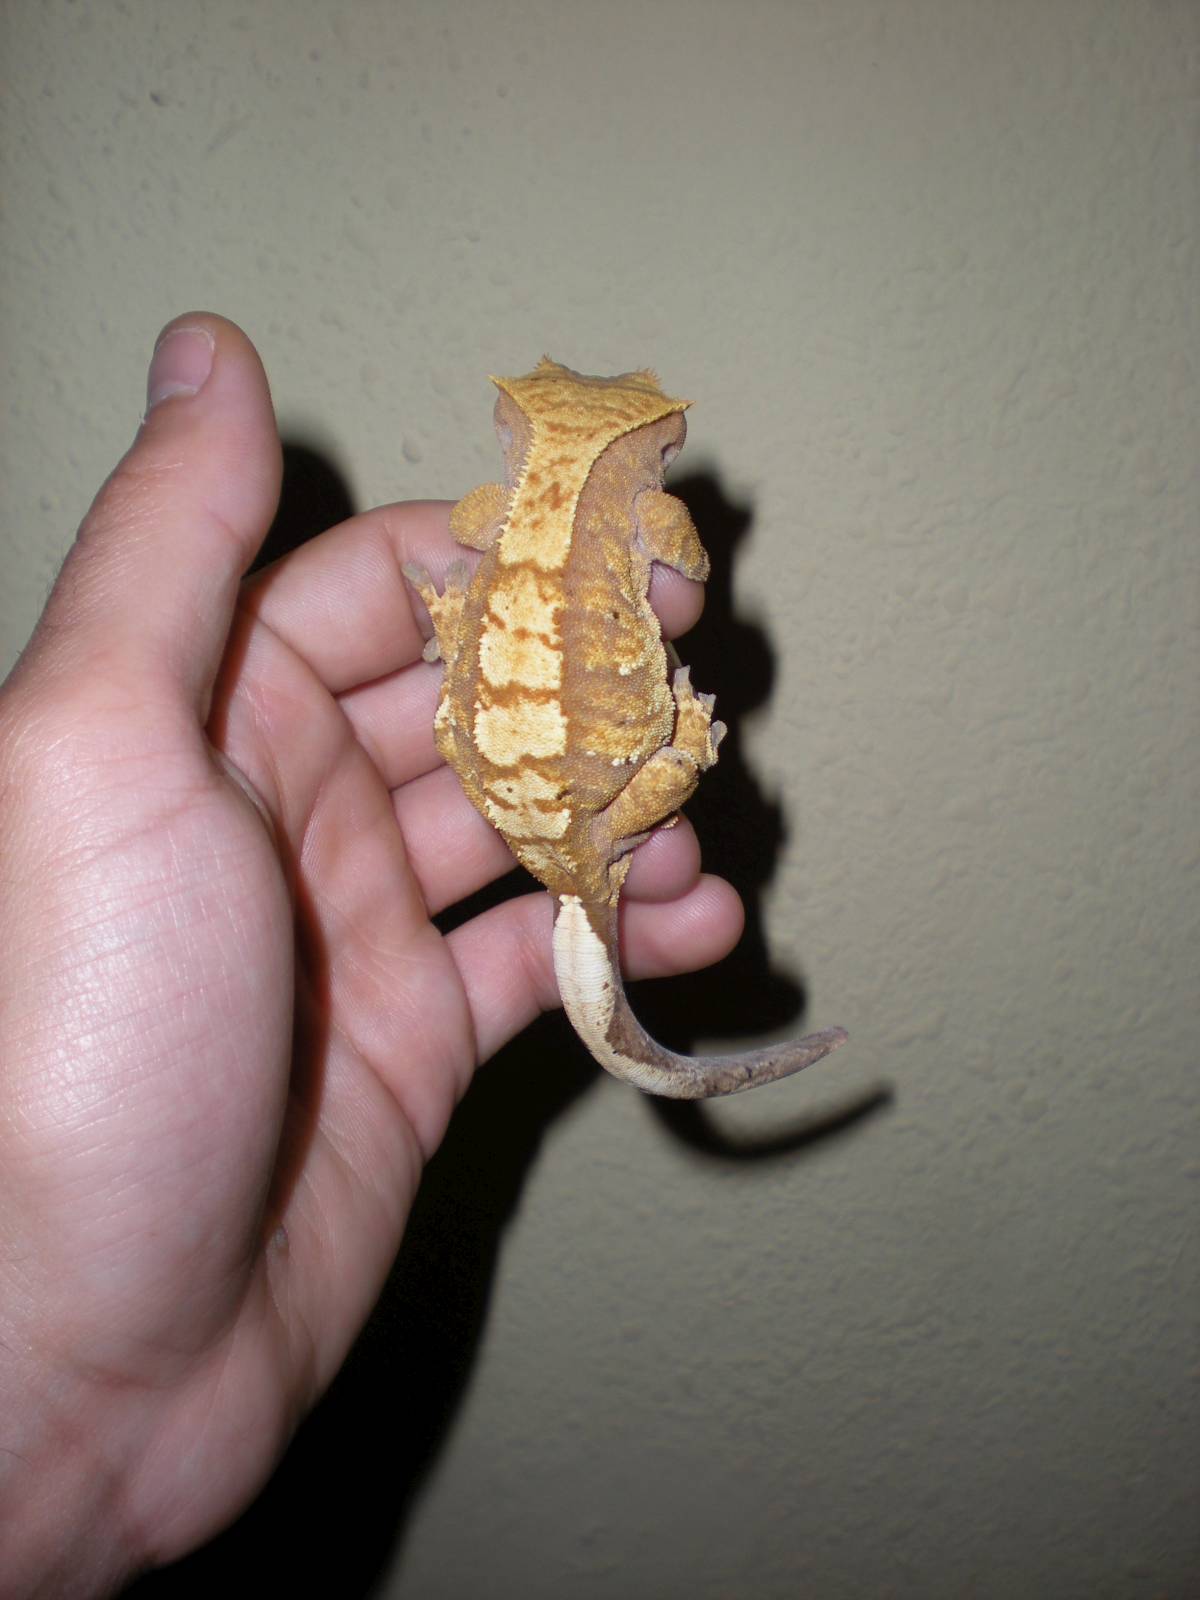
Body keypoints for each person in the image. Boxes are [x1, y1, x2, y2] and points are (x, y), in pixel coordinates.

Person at [0, 315, 747, 1593]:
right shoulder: (651, 514)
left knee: (512, 709)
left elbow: (469, 529)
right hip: (578, 795)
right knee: (651, 752)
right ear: (646, 444)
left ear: (520, 432)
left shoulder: (490, 505)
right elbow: (679, 560)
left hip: (505, 783)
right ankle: (634, 789)